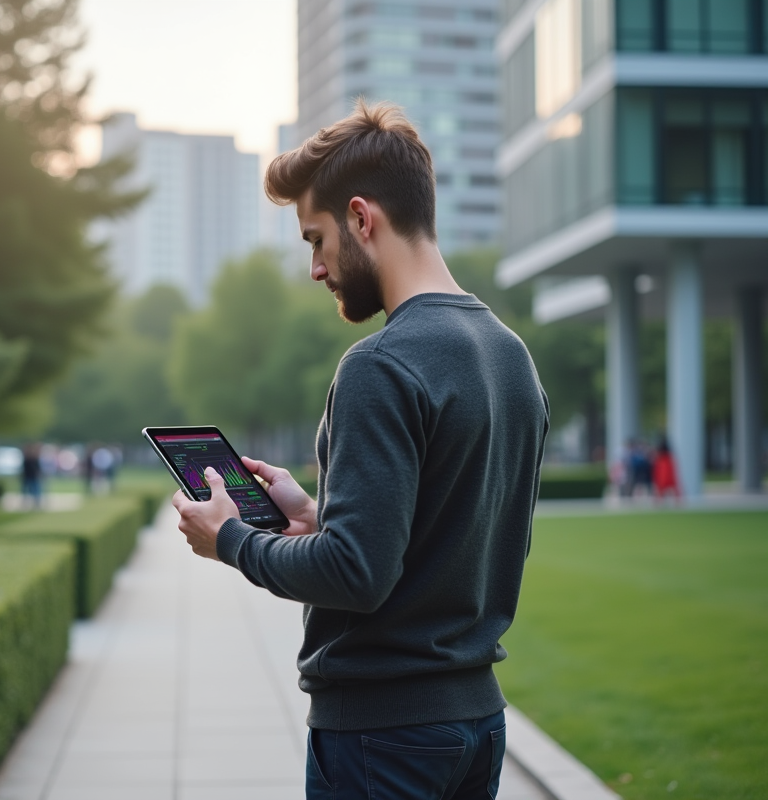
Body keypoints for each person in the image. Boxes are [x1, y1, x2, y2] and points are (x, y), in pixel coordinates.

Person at [172, 100, 549, 800]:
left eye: (315, 240)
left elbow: (357, 575)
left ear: (361, 218)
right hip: (476, 725)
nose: (316, 268)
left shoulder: (380, 364)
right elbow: (454, 542)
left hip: (384, 739)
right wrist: (320, 516)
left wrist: (230, 539)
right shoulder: (510, 356)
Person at [20, 443, 42, 510]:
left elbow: (38, 469)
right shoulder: (26, 460)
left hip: (33, 477)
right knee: (26, 491)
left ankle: (36, 503)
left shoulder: (34, 459)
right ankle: (26, 503)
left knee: (35, 490)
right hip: (27, 477)